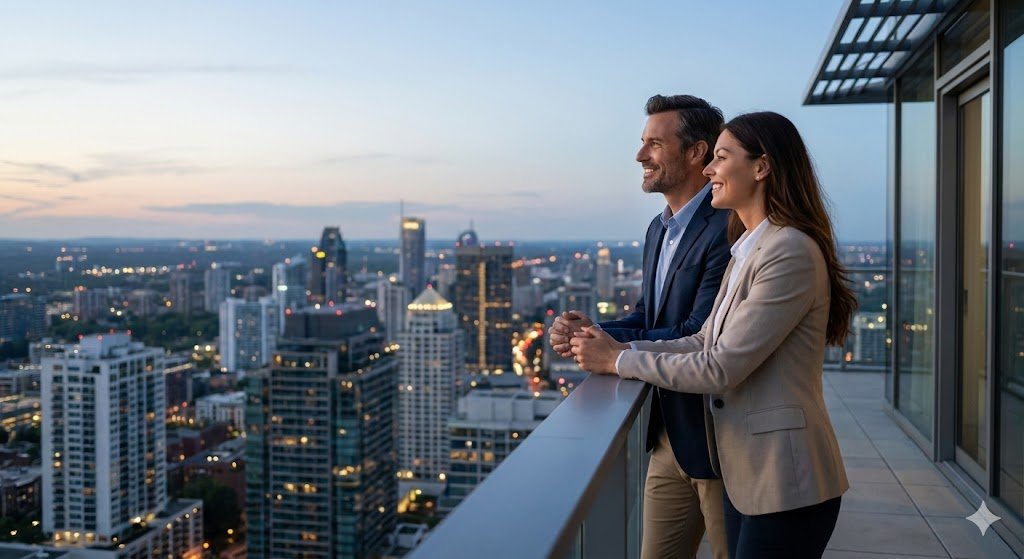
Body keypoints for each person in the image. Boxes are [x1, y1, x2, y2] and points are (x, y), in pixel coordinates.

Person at [570, 111, 855, 559]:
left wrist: (619, 361)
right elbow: (704, 340)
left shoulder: (788, 251)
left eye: (721, 157)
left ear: (761, 167)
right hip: (748, 474)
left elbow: (721, 367)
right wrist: (612, 345)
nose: (709, 171)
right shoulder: (749, 247)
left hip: (785, 479)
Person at [548, 94, 731, 559]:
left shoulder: (727, 226)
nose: (639, 155)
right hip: (667, 435)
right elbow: (648, 318)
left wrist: (612, 350)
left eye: (654, 143)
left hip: (720, 439)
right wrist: (589, 330)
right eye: (642, 142)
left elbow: (701, 331)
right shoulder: (658, 228)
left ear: (696, 153)